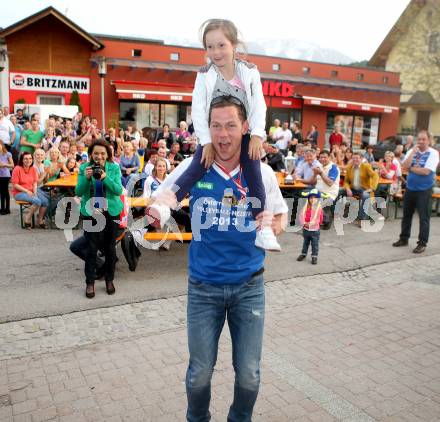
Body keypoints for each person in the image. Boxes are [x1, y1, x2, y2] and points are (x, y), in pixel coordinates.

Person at [150, 95, 288, 422]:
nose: (223, 135)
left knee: (249, 374)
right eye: (216, 126)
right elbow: (161, 202)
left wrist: (270, 226)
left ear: (244, 127)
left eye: (230, 125)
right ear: (207, 128)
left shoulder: (262, 174)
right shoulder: (194, 166)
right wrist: (160, 212)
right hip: (204, 288)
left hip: (249, 288)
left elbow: (281, 217)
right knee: (198, 373)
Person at [151, 19, 279, 251]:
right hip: (214, 135)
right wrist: (206, 141)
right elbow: (198, 109)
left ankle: (263, 227)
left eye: (221, 45)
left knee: (253, 173)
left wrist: (258, 135)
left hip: (245, 132)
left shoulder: (249, 71)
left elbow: (259, 105)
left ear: (233, 45)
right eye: (210, 47)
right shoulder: (204, 74)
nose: (215, 52)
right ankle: (166, 204)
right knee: (195, 167)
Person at [75, 139, 123, 298]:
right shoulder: (84, 167)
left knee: (110, 248)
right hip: (91, 212)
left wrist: (105, 177)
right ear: (91, 154)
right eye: (96, 153)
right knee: (91, 249)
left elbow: (117, 190)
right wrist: (86, 178)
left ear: (108, 155)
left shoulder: (114, 168)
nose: (99, 156)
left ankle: (109, 279)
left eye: (103, 153)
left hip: (111, 212)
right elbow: (79, 191)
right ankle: (90, 282)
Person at [392, 130, 439, 253]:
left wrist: (411, 168)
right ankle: (404, 238)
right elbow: (404, 166)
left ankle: (422, 243)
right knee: (406, 216)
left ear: (429, 140)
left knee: (424, 218)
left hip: (424, 190)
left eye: (424, 139)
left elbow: (426, 171)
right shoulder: (412, 151)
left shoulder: (433, 153)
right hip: (410, 189)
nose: (421, 141)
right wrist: (413, 152)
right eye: (419, 139)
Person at [11, 151, 48, 228]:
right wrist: (27, 191)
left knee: (45, 201)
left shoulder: (33, 169)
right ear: (22, 160)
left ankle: (40, 220)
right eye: (26, 159)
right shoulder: (17, 169)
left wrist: (34, 192)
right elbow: (15, 184)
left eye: (30, 159)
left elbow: (35, 182)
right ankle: (27, 219)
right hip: (19, 192)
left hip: (31, 190)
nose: (28, 161)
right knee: (37, 201)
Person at [343, 152, 379, 225]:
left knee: (366, 196)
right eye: (353, 158)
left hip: (364, 189)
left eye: (357, 158)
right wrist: (348, 189)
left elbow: (375, 175)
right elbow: (346, 181)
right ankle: (335, 215)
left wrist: (372, 188)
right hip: (352, 189)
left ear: (361, 159)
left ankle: (362, 219)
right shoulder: (349, 167)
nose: (355, 160)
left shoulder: (366, 166)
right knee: (338, 191)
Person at [311, 150, 340, 228]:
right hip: (318, 191)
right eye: (321, 157)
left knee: (318, 199)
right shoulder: (319, 166)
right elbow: (313, 183)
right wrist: (314, 175)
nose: (322, 159)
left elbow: (330, 183)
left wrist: (321, 173)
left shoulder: (333, 168)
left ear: (329, 158)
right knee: (302, 194)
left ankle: (326, 221)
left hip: (329, 193)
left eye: (325, 157)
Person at [297, 189, 324, 264]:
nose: (313, 199)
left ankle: (314, 256)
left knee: (314, 244)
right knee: (305, 243)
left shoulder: (319, 209)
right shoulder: (306, 207)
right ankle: (303, 254)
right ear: (308, 198)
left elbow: (319, 219)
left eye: (315, 198)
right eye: (311, 197)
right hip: (306, 229)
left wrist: (312, 223)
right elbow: (301, 215)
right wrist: (303, 223)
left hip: (315, 230)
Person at [0, 140, 14, 214]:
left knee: (4, 191)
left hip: (5, 175)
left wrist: (4, 165)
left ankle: (6, 209)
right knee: (2, 192)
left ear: (2, 145)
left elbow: (12, 165)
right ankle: (3, 208)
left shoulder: (7, 154)